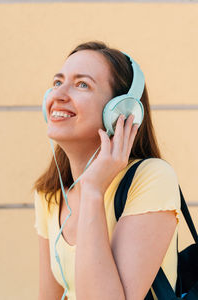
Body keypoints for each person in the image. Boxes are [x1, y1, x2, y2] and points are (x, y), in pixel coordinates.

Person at [33, 41, 180, 300]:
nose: (58, 95)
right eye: (57, 83)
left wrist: (92, 190)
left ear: (120, 111)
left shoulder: (151, 178)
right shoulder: (51, 193)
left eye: (82, 85)